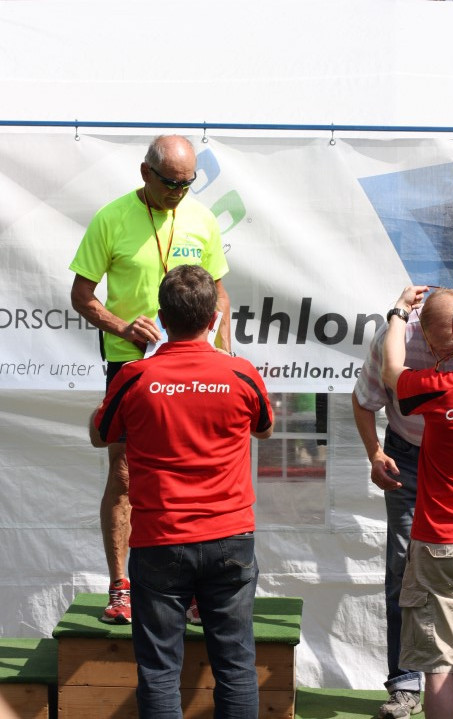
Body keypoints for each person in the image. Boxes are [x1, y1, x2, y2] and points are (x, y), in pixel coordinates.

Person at [89, 265, 273, 719]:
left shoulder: (134, 376)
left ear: (161, 318)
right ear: (214, 318)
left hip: (160, 541)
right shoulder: (241, 373)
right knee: (235, 666)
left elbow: (100, 435)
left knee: (159, 672)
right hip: (230, 537)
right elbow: (264, 429)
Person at [70, 135, 231, 624]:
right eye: (171, 183)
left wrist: (223, 353)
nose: (179, 192)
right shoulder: (111, 218)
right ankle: (121, 586)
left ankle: (194, 586)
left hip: (193, 360)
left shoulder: (202, 219)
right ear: (145, 173)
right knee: (124, 472)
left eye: (187, 183)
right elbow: (81, 295)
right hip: (131, 362)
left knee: (193, 469)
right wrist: (123, 327)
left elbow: (220, 294)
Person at [353, 286, 453, 718]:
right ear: (421, 330)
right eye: (440, 348)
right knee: (403, 570)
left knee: (438, 663)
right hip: (408, 458)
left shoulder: (438, 386)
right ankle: (404, 684)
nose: (447, 357)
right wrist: (375, 453)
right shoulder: (401, 344)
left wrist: (396, 310)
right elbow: (366, 397)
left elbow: (394, 374)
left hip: (447, 508)